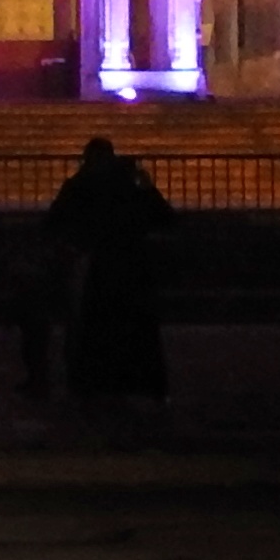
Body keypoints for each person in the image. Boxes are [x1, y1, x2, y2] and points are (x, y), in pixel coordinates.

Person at [45, 137, 176, 402]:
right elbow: (165, 218)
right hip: (132, 267)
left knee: (95, 328)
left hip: (99, 265)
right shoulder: (128, 187)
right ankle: (138, 384)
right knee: (136, 330)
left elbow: (54, 221)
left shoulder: (81, 185)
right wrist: (147, 188)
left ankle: (95, 383)